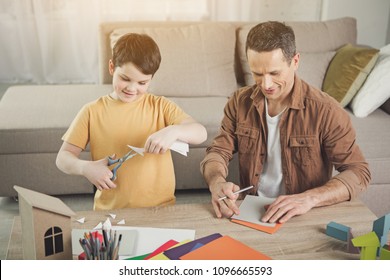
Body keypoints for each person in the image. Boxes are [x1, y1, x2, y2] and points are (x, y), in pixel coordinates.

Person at [200, 21, 370, 223]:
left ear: (295, 61)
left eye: (274, 73)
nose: (266, 84)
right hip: (252, 212)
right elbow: (218, 151)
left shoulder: (327, 110)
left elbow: (358, 172)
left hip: (304, 214)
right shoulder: (239, 102)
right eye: (257, 74)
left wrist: (310, 198)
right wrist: (216, 182)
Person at [56, 33, 207, 210]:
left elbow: (200, 132)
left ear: (151, 79)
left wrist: (174, 131)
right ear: (112, 67)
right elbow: (63, 158)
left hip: (162, 210)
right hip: (110, 212)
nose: (132, 88)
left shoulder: (161, 106)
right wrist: (85, 168)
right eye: (125, 79)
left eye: (142, 83)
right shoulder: (92, 111)